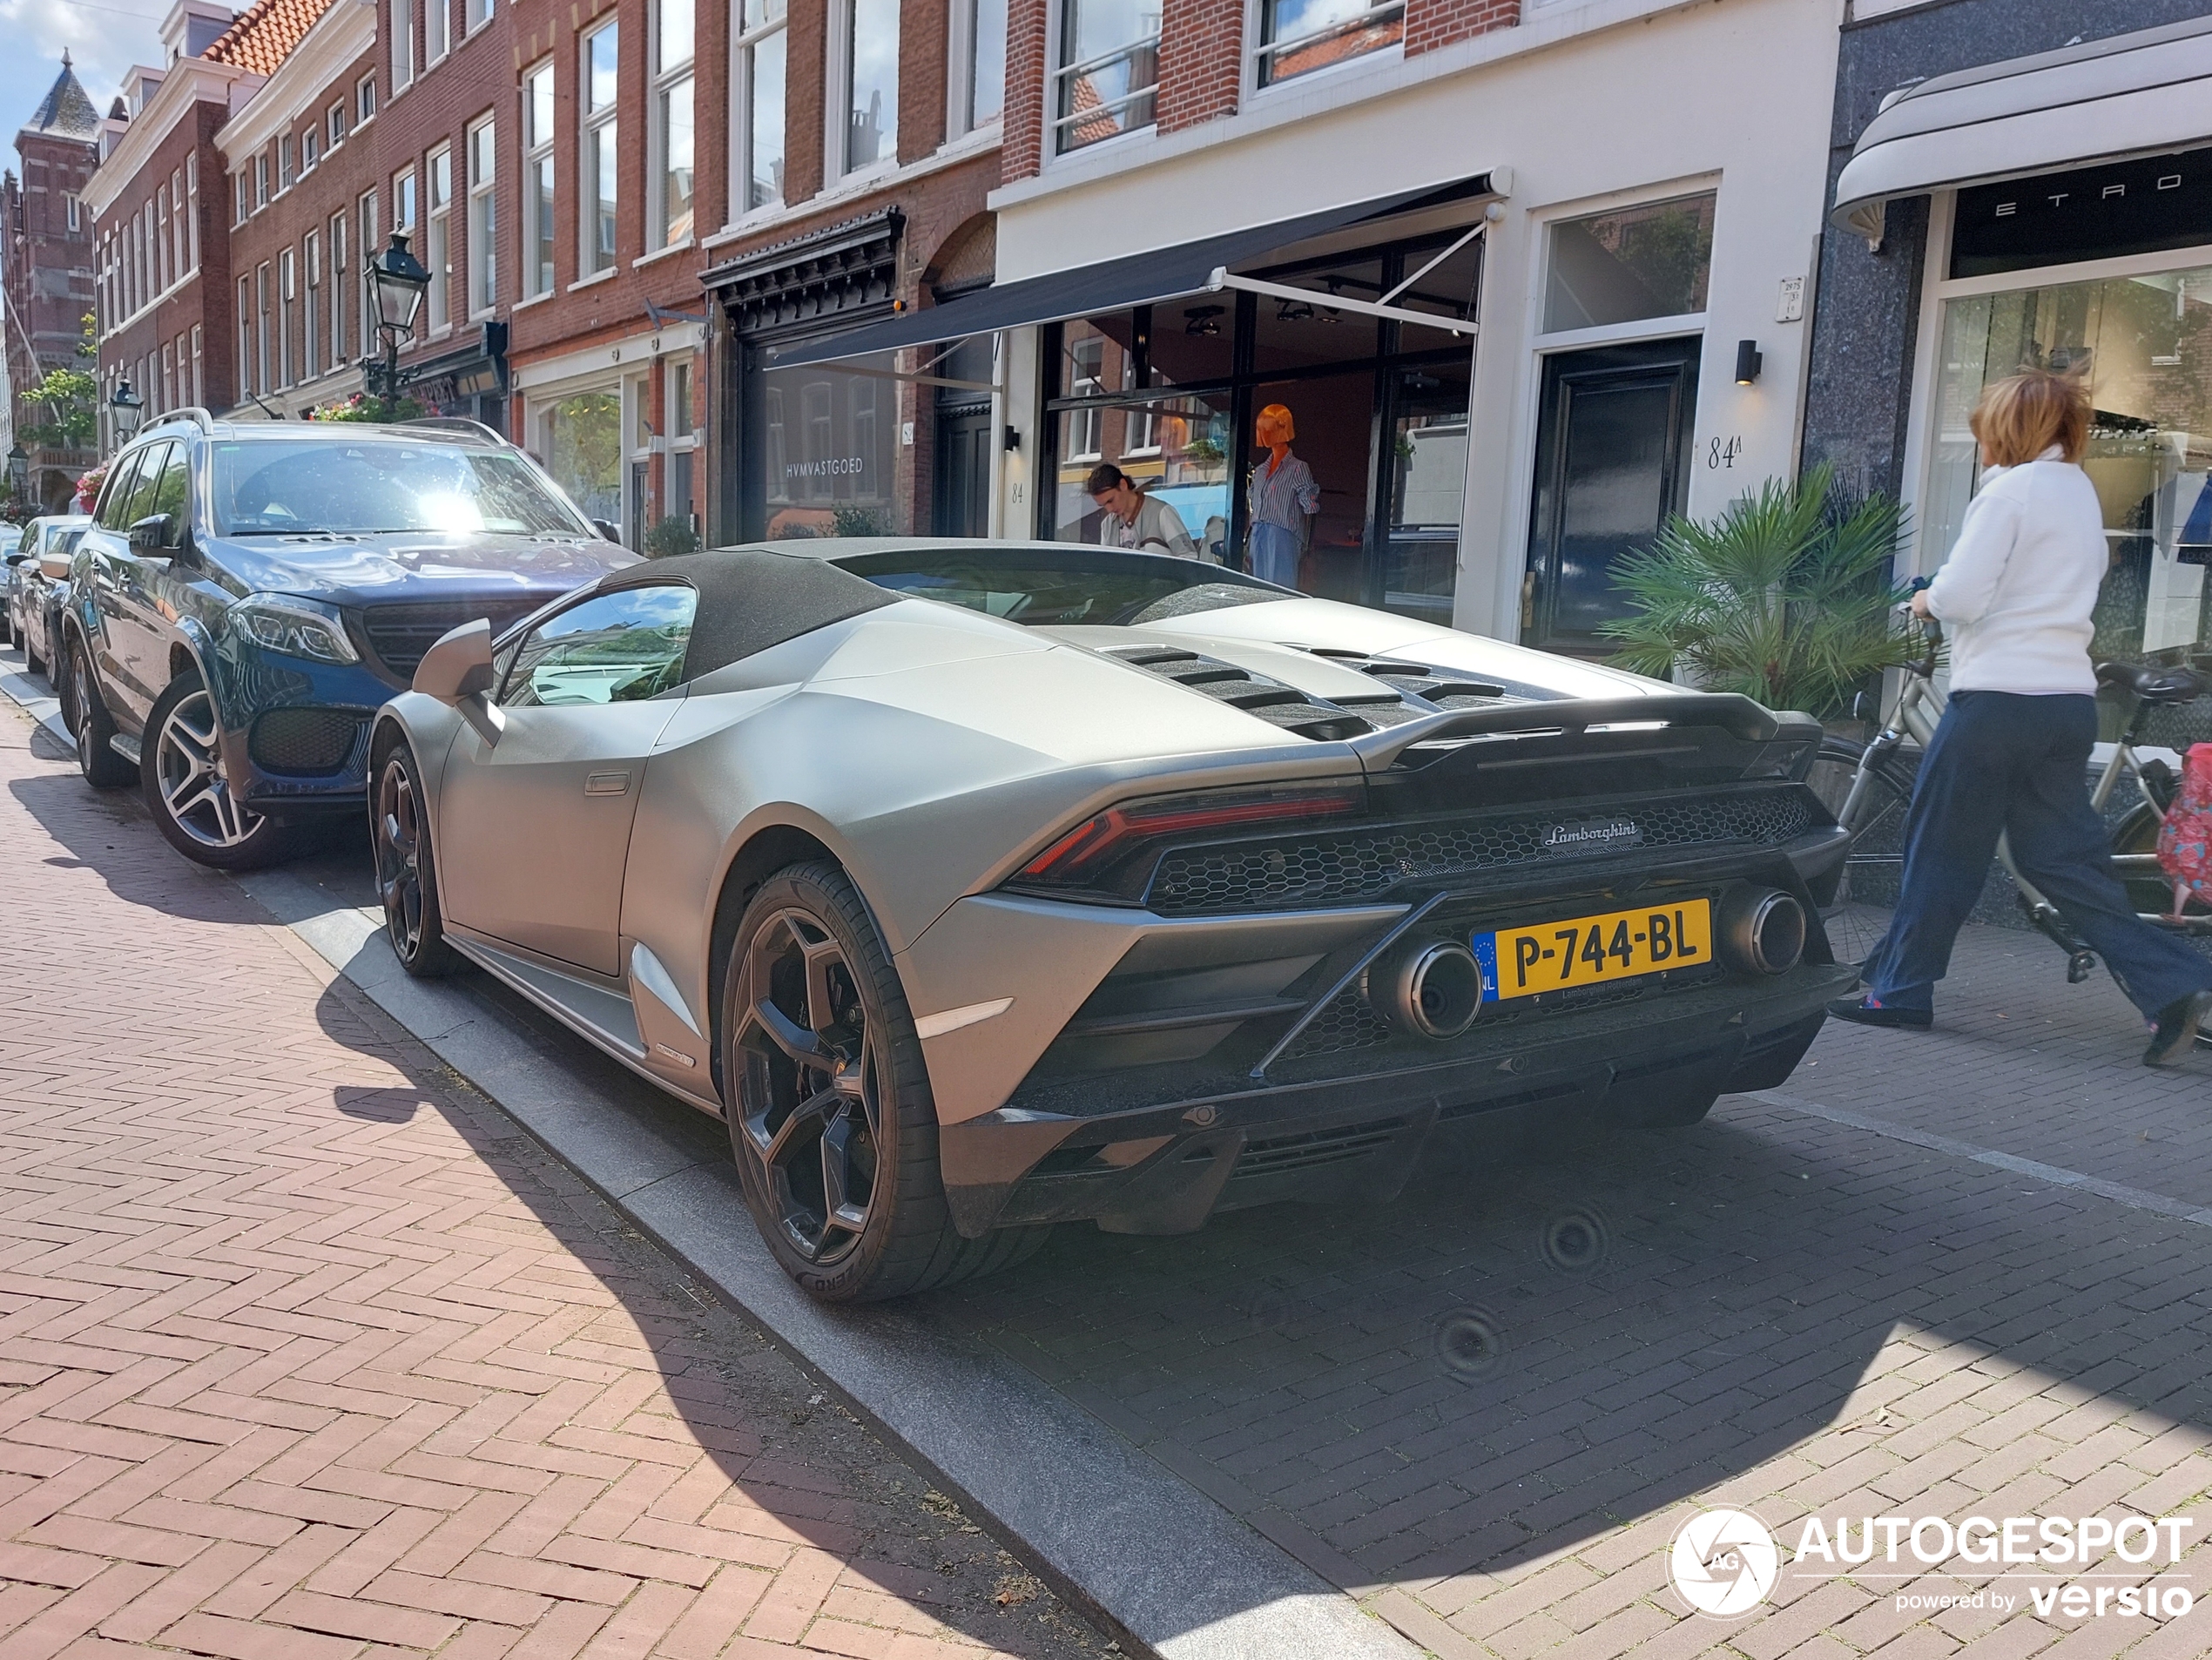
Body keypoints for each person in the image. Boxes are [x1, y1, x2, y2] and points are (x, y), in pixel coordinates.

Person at [1830, 368, 2212, 1066]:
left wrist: (1926, 601)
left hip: (1997, 703)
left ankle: (1901, 991)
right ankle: (2177, 984)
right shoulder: (2077, 492)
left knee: (1941, 851)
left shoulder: (2007, 492)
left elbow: (1966, 594)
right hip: (2066, 704)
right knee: (2066, 863)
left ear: (2007, 428)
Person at [1247, 403, 1318, 589]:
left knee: (1280, 591)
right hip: (1258, 533)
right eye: (1261, 429)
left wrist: (1306, 546)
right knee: (1258, 590)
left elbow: (1310, 508)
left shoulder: (1297, 468)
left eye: (1267, 429)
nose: (1263, 434)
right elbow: (1255, 502)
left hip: (1283, 533)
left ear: (1281, 428)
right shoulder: (1261, 470)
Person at [1087, 464, 1197, 558]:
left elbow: (1189, 559)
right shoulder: (1107, 525)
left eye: (1110, 500)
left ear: (1123, 485)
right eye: (1103, 505)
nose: (1109, 509)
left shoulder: (1162, 512)